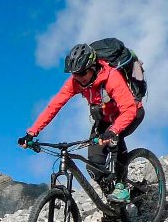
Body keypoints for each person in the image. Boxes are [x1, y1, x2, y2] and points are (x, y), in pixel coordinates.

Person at [18, 42, 145, 203]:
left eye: (82, 73)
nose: (79, 77)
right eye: (74, 74)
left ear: (93, 66)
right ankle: (114, 205)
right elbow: (54, 106)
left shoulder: (111, 77)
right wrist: (31, 132)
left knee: (115, 140)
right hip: (105, 120)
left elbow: (128, 109)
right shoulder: (75, 82)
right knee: (94, 166)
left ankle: (121, 187)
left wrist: (113, 131)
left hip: (130, 114)